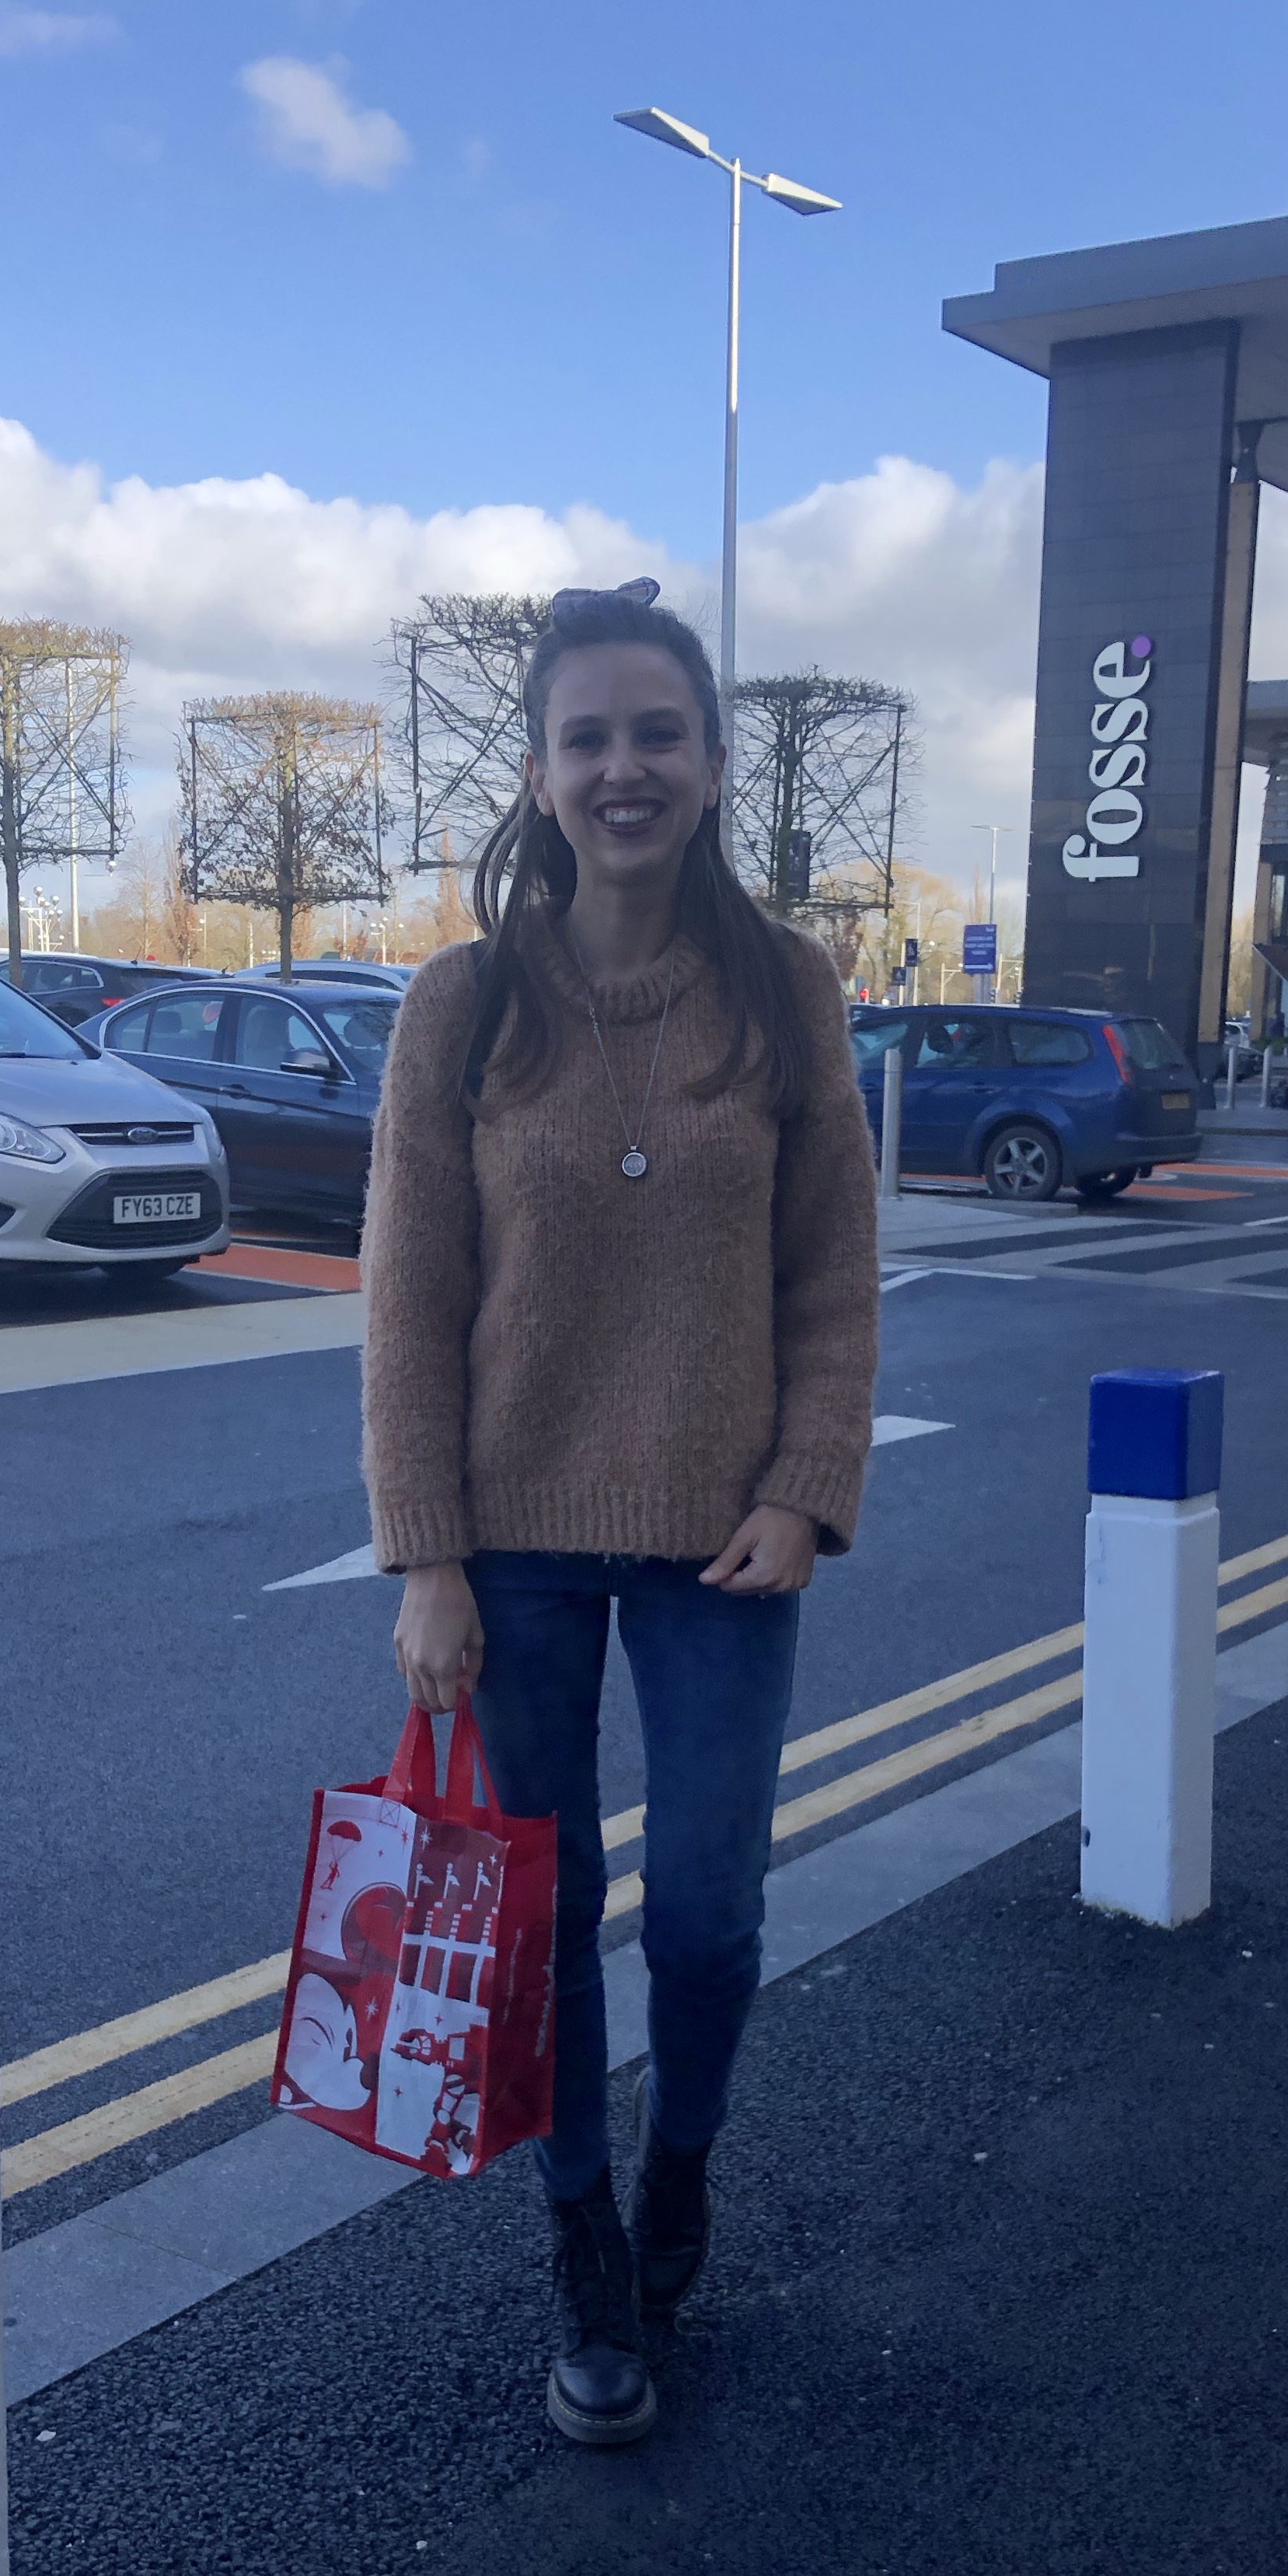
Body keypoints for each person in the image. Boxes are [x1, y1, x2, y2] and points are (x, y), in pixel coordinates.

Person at [361, 580, 880, 2450]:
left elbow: (831, 1276)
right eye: (588, 738)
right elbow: (410, 1299)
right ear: (540, 775)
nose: (624, 768)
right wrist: (424, 1551)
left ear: (715, 764)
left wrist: (812, 1493)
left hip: (726, 1539)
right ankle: (580, 2228)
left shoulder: (784, 992)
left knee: (716, 1911)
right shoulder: (468, 1004)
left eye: (657, 732)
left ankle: (685, 2163)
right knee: (543, 1916)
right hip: (510, 1546)